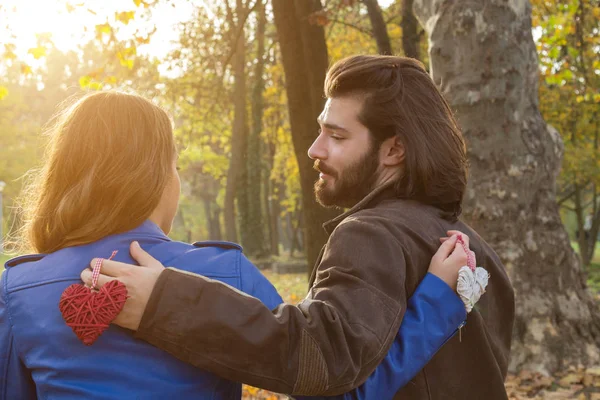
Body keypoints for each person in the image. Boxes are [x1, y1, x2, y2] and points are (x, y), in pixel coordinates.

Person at [82, 55, 516, 399]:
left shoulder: (372, 234)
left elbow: (316, 361)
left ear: (395, 149)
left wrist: (166, 302)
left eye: (337, 137)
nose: (314, 148)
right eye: (319, 131)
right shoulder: (476, 248)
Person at [0, 90, 472, 400]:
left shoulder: (17, 289)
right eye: (176, 164)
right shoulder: (227, 271)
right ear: (158, 176)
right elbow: (333, 387)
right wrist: (435, 302)